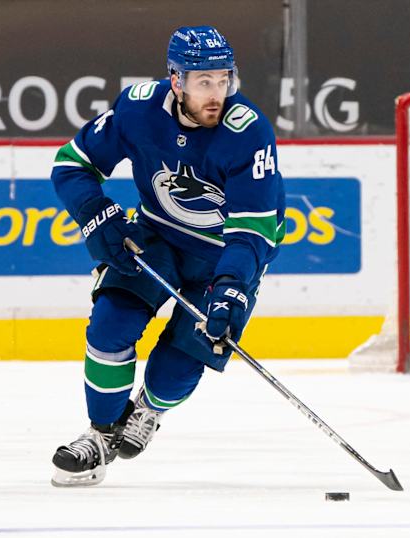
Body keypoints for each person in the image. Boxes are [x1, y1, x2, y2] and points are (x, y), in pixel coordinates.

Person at [50, 25, 286, 487]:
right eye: (203, 82)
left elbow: (252, 230)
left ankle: (149, 411)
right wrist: (96, 213)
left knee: (184, 357)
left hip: (223, 257)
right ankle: (100, 436)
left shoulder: (249, 131)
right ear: (176, 80)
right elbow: (71, 164)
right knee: (109, 326)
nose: (217, 93)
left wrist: (233, 287)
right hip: (156, 238)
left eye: (224, 80)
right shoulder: (138, 108)